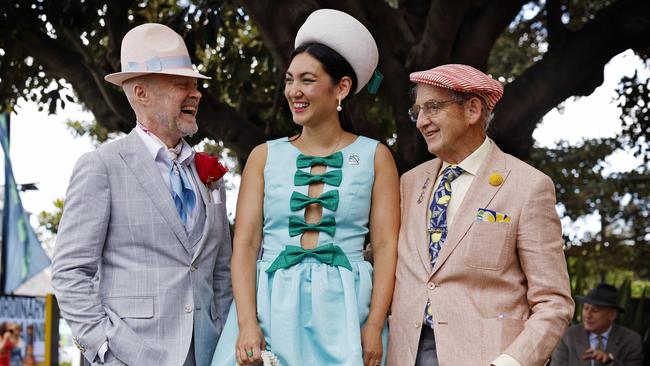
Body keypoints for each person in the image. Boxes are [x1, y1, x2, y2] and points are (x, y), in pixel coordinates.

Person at [211, 8, 399, 366]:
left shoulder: (375, 156)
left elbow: (387, 246)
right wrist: (246, 323)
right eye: (289, 80)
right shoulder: (264, 156)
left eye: (307, 80)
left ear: (341, 87)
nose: (294, 91)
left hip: (346, 311)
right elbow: (246, 244)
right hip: (270, 306)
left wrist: (375, 323)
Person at [52, 23, 232, 366]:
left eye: (196, 84)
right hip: (128, 355)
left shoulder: (211, 175)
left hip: (207, 355)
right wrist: (102, 348)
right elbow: (70, 271)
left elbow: (221, 271)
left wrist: (224, 342)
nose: (196, 93)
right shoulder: (101, 166)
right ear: (140, 93)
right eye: (183, 84)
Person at [387, 64, 575, 366]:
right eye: (417, 111)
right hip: (403, 355)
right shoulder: (409, 182)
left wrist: (508, 363)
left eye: (432, 107)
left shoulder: (529, 186)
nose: (421, 121)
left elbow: (554, 302)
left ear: (473, 109)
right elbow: (385, 258)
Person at [551, 283, 644, 365]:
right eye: (586, 308)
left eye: (595, 310)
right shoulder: (569, 335)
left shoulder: (631, 340)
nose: (587, 315)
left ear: (612, 315)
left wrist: (610, 361)